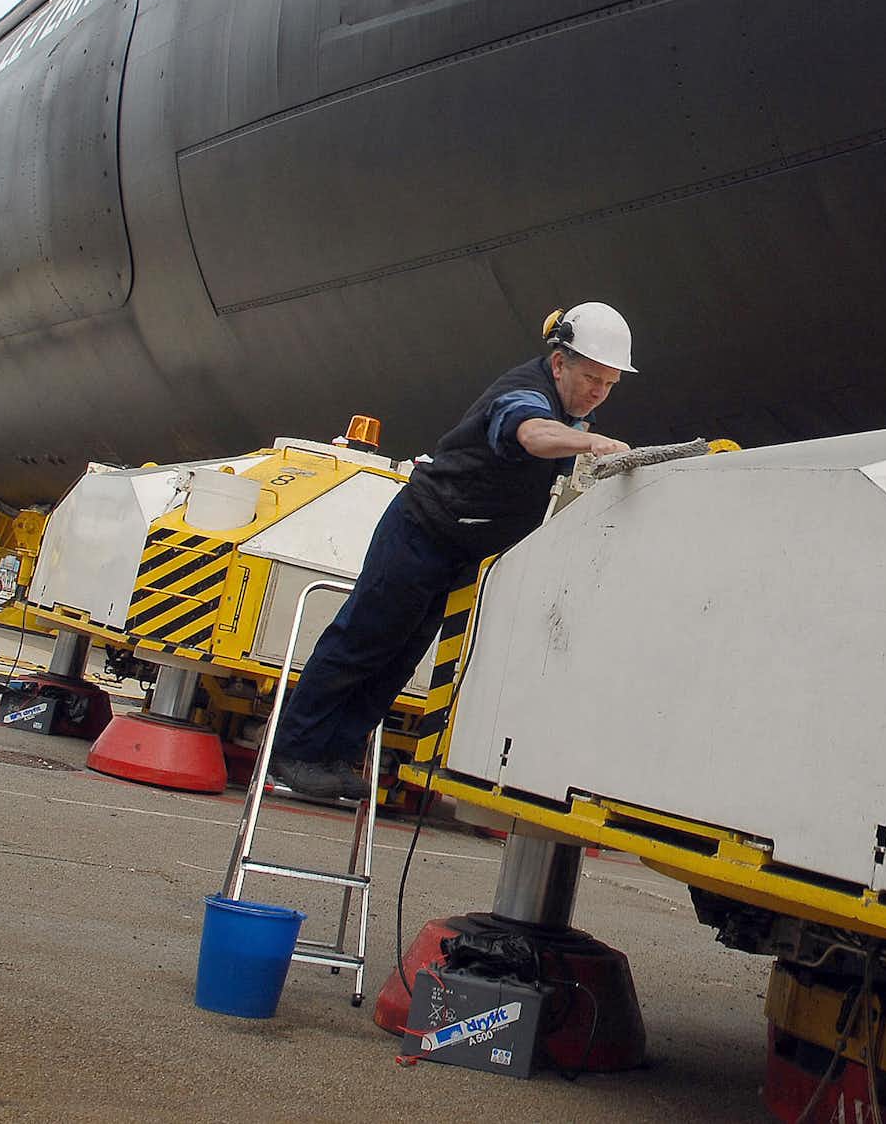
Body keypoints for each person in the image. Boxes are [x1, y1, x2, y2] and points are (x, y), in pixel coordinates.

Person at [267, 303, 638, 800]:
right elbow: (529, 433)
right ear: (558, 364)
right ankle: (295, 751)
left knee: (402, 654)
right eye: (591, 377)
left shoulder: (572, 415)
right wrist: (591, 445)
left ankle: (336, 755)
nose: (598, 392)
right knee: (363, 638)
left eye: (609, 384)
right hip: (422, 528)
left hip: (461, 548)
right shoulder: (524, 394)